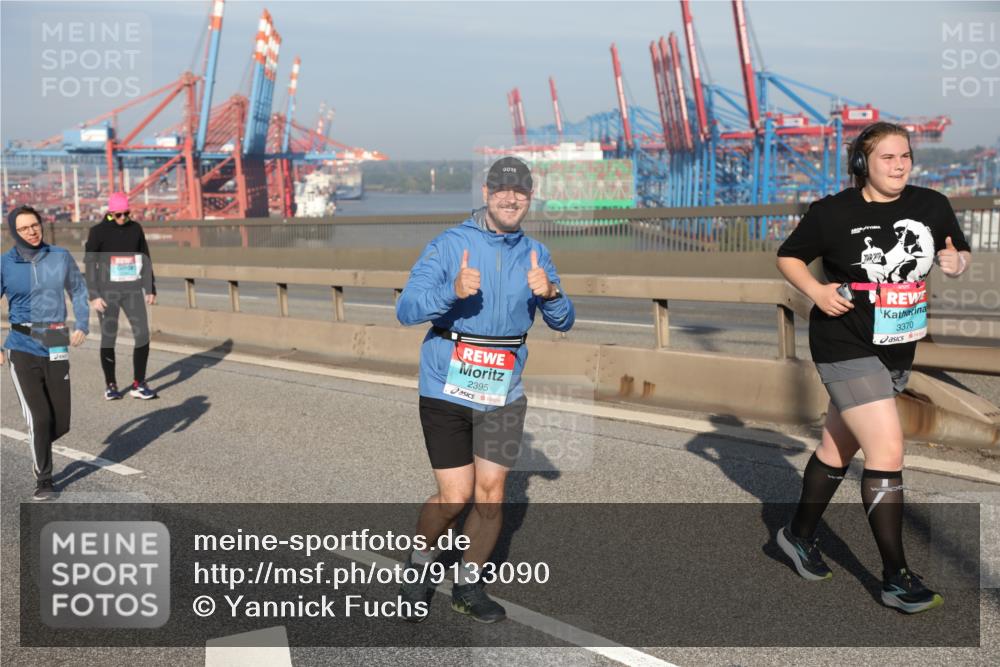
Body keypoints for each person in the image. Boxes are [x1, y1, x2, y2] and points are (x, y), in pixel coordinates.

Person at [775, 122, 972, 613]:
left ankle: (796, 535)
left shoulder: (931, 205)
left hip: (897, 346)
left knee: (837, 446)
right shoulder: (832, 212)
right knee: (886, 448)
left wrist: (956, 263)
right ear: (863, 163)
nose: (900, 165)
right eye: (887, 157)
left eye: (905, 156)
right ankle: (895, 577)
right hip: (844, 344)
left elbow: (957, 251)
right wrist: (818, 292)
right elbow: (789, 257)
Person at [394, 157, 575, 623]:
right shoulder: (450, 244)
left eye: (520, 191)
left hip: (503, 391)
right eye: (501, 190)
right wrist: (451, 291)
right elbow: (408, 308)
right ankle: (417, 566)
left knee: (491, 495)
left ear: (529, 198)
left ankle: (468, 586)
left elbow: (565, 321)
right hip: (446, 387)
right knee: (455, 497)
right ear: (487, 193)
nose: (510, 198)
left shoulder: (536, 253)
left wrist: (552, 294)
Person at [1, 205, 89, 500]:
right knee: (39, 417)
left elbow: (78, 290)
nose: (32, 231)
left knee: (60, 421)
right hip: (21, 344)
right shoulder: (5, 264)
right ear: (15, 232)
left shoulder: (60, 256)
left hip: (55, 340)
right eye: (24, 228)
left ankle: (40, 441)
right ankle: (45, 479)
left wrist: (83, 323)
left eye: (35, 225)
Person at [84, 192, 158, 400]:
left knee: (142, 335)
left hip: (132, 290)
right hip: (107, 293)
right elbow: (89, 264)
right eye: (118, 215)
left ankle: (139, 383)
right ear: (109, 213)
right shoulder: (98, 232)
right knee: (109, 338)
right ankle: (111, 384)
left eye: (126, 214)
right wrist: (94, 295)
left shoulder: (135, 229)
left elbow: (145, 257)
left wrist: (150, 287)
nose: (123, 218)